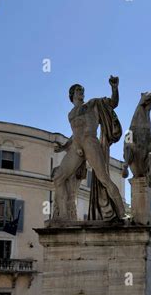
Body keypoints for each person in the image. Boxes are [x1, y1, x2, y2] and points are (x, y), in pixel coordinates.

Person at [53, 76, 125, 222]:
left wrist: (114, 88)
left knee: (104, 179)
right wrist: (64, 147)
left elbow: (113, 103)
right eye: (79, 90)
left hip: (90, 142)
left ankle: (122, 213)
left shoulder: (93, 104)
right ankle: (64, 217)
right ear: (72, 94)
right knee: (58, 178)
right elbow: (75, 134)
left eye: (83, 90)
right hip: (76, 146)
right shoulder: (71, 114)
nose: (82, 93)